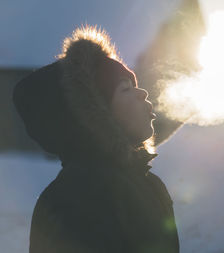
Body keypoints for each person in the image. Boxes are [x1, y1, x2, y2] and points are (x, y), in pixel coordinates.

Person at [12, 25, 180, 253]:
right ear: (96, 113)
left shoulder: (148, 184)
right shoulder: (74, 199)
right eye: (125, 89)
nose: (143, 94)